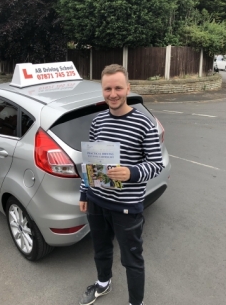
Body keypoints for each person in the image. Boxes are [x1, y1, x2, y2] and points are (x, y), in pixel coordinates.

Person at [79, 64, 164, 305]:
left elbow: (156, 164)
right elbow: (91, 163)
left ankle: (136, 302)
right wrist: (84, 194)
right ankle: (103, 284)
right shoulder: (97, 122)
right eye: (107, 89)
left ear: (128, 87)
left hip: (126, 207)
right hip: (97, 202)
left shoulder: (144, 123)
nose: (113, 94)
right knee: (101, 249)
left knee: (132, 259)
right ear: (102, 91)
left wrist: (131, 172)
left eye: (118, 87)